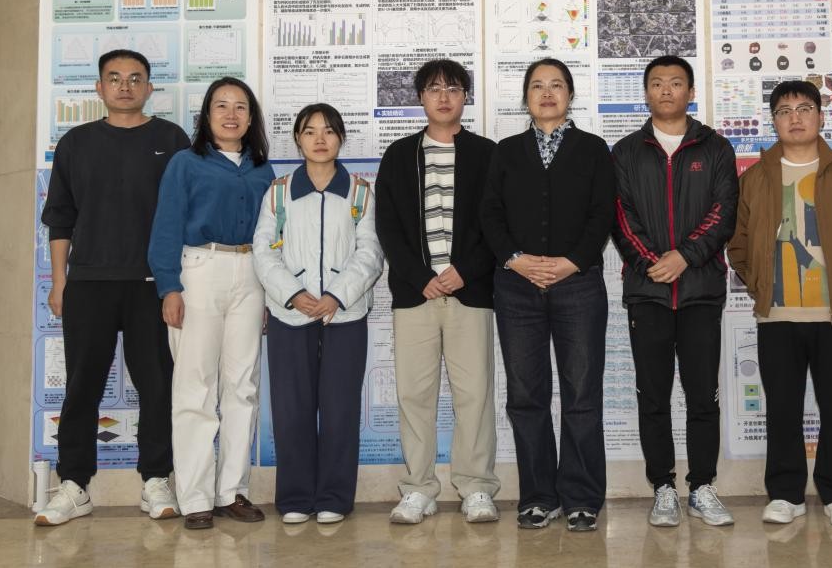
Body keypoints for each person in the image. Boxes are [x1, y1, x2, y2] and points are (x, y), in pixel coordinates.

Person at [35, 50, 190, 526]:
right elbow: (60, 218)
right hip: (88, 284)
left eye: (135, 78)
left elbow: (184, 216)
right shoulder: (76, 143)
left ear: (149, 88)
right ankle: (74, 485)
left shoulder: (172, 139)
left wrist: (176, 284)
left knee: (157, 385)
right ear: (99, 88)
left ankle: (156, 480)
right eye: (115, 78)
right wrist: (60, 282)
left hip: (152, 285)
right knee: (82, 387)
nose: (125, 86)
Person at [480, 58, 615, 533]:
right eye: (537, 85)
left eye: (557, 85)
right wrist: (516, 260)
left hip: (578, 285)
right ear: (526, 97)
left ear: (570, 95)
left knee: (581, 394)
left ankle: (581, 498)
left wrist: (571, 261)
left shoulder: (593, 149)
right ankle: (539, 496)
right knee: (525, 396)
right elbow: (490, 214)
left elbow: (603, 213)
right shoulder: (506, 151)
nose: (547, 93)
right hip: (517, 288)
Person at [728, 80, 832, 529]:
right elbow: (738, 243)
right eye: (784, 111)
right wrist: (758, 284)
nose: (795, 118)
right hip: (777, 315)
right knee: (783, 408)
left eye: (804, 108)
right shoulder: (755, 178)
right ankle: (785, 493)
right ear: (774, 121)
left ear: (821, 116)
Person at [611, 56, 737, 528]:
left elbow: (724, 212)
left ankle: (702, 486)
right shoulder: (626, 151)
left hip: (701, 291)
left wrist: (685, 256)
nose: (666, 90)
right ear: (646, 93)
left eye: (676, 82)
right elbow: (621, 217)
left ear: (690, 92)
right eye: (657, 83)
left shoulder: (715, 147)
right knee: (653, 396)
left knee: (703, 396)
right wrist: (653, 262)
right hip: (648, 294)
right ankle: (663, 487)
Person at [375, 60, 500, 525]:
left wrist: (464, 271)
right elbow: (388, 226)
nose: (443, 97)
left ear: (466, 96)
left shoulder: (487, 154)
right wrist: (419, 275)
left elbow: (498, 224)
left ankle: (477, 487)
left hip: (471, 293)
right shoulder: (398, 155)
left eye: (453, 88)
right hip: (416, 295)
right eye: (433, 89)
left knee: (475, 395)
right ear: (420, 98)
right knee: (414, 395)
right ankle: (418, 489)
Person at [148, 77, 275, 530]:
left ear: (251, 118)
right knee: (195, 387)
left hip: (251, 273)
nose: (231, 114)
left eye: (240, 107)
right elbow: (166, 225)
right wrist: (169, 287)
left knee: (242, 386)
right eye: (221, 105)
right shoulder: (186, 163)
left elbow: (271, 237)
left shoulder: (262, 170)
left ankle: (231, 492)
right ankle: (196, 497)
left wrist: (268, 292)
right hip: (199, 270)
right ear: (206, 114)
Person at [252, 103, 383, 525]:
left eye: (329, 131)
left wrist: (337, 296)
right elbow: (263, 251)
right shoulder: (279, 192)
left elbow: (371, 253)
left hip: (345, 315)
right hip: (290, 315)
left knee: (340, 407)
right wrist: (293, 294)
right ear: (298, 139)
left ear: (341, 137)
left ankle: (334, 497)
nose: (320, 139)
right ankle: (294, 497)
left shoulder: (360, 192)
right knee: (291, 408)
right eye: (310, 131)